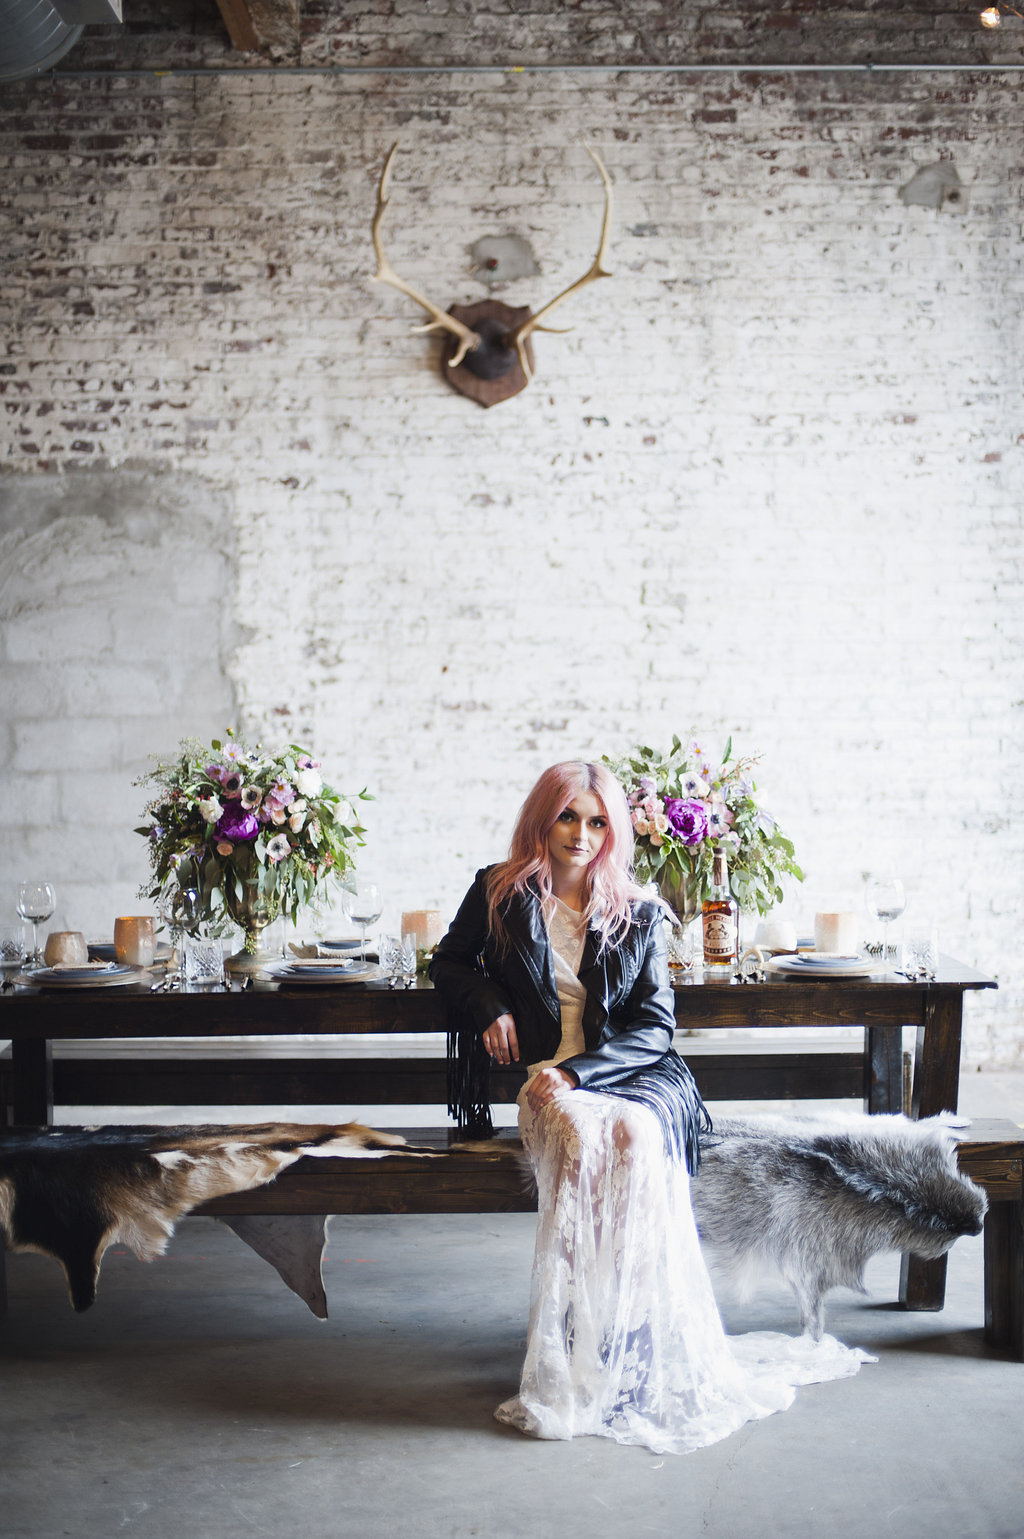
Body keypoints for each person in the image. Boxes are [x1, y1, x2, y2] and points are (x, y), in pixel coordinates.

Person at [430, 760, 870, 1455]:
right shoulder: (498, 891)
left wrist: (582, 1072)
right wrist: (489, 1005)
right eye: (567, 816)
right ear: (541, 819)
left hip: (624, 1078)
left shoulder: (635, 910)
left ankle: (631, 1334)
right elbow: (449, 963)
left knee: (634, 1136)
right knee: (578, 1132)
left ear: (614, 830)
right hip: (548, 1085)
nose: (581, 833)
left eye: (597, 819)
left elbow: (655, 1027)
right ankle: (576, 1335)